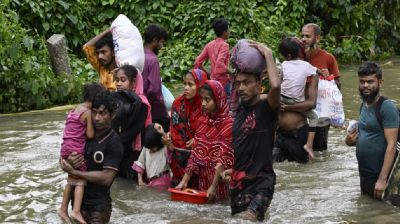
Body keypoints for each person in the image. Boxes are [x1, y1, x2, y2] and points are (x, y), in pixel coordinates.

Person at [224, 40, 280, 222]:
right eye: (239, 83)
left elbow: (276, 87)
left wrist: (268, 54)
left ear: (259, 83)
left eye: (247, 83)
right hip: (238, 183)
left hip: (262, 182)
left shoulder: (267, 109)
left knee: (248, 220)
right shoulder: (239, 110)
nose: (241, 88)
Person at [60, 91, 123, 223]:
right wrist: (66, 162)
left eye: (102, 113)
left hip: (98, 208)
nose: (96, 118)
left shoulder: (114, 143)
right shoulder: (84, 133)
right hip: (76, 205)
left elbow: (106, 178)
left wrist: (74, 172)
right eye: (94, 112)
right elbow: (64, 152)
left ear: (112, 115)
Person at [345, 62, 399, 199]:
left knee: (385, 215)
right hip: (365, 174)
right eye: (362, 81)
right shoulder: (364, 105)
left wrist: (382, 179)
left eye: (370, 82)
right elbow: (365, 136)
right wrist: (349, 141)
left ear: (380, 82)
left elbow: (392, 145)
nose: (365, 86)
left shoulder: (387, 108)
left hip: (382, 176)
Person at [175, 80, 234, 201]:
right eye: (202, 99)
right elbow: (195, 154)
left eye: (207, 100)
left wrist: (213, 186)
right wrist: (184, 181)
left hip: (221, 184)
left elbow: (223, 160)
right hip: (203, 182)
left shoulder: (229, 125)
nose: (203, 103)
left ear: (218, 100)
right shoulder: (203, 122)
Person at [57, 83, 104, 224]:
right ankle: (76, 211)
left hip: (65, 148)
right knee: (81, 179)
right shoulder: (87, 113)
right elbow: (89, 134)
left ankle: (63, 209)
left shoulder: (73, 109)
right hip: (76, 150)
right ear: (95, 99)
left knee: (71, 179)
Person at [279, 37, 319, 161]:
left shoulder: (312, 75)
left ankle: (309, 145)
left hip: (298, 134)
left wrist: (288, 107)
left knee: (300, 170)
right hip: (279, 133)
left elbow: (311, 104)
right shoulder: (285, 67)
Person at [301, 23, 341, 151]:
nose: (303, 39)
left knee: (320, 150)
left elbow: (338, 85)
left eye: (307, 36)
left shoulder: (328, 58)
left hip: (322, 111)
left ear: (317, 38)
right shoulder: (299, 56)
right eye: (302, 36)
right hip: (301, 108)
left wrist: (328, 78)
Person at [169, 69, 208, 186]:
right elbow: (175, 130)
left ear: (201, 86)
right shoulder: (177, 103)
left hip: (201, 161)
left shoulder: (207, 105)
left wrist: (198, 140)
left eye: (190, 85)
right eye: (185, 84)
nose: (186, 88)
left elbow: (212, 131)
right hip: (179, 159)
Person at [112, 65, 149, 179]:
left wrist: (112, 141)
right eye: (117, 80)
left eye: (123, 80)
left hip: (135, 150)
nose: (118, 84)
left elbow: (134, 130)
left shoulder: (142, 103)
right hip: (119, 146)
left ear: (133, 83)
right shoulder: (116, 100)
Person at [142, 24, 170, 131]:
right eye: (161, 42)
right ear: (154, 40)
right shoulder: (153, 60)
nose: (161, 46)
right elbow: (154, 90)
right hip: (154, 107)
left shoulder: (138, 55)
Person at [194, 18, 231, 97]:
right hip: (223, 83)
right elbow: (219, 64)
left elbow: (197, 62)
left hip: (212, 82)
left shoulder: (210, 45)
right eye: (228, 30)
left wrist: (207, 74)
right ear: (224, 33)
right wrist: (231, 72)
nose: (229, 32)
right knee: (229, 104)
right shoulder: (224, 45)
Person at [132, 123, 171, 188]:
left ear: (159, 142)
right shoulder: (146, 147)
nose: (151, 150)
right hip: (150, 182)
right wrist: (140, 181)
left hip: (163, 182)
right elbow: (140, 164)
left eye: (153, 148)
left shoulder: (165, 147)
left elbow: (171, 151)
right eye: (149, 148)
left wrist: (163, 133)